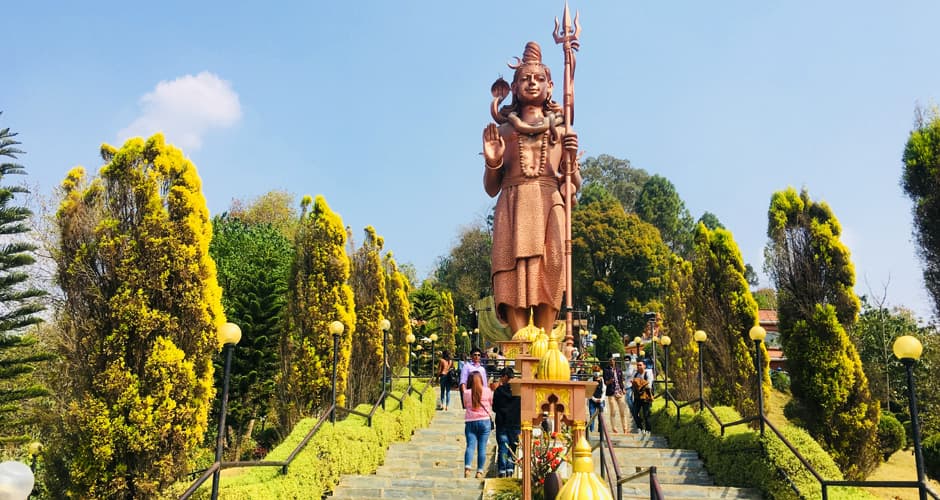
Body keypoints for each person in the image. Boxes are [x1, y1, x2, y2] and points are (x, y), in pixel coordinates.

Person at [482, 41, 580, 335]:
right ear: (514, 87)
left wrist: (570, 162)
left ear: (550, 87)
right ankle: (520, 341)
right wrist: (493, 162)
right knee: (510, 269)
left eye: (539, 79)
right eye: (525, 78)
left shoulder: (562, 132)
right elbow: (490, 188)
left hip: (550, 202)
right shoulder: (503, 132)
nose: (532, 83)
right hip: (512, 203)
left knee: (551, 267)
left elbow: (572, 187)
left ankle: (548, 338)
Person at [463, 371, 494, 479]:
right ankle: (479, 471)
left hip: (470, 421)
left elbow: (465, 404)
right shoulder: (488, 391)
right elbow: (491, 403)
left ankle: (467, 469)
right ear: (481, 380)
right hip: (484, 421)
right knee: (482, 448)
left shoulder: (466, 393)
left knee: (470, 446)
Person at [492, 367, 521, 478]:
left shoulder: (499, 391)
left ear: (505, 376)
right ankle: (510, 469)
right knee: (512, 448)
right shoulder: (519, 391)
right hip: (515, 423)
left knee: (503, 448)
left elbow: (494, 408)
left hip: (502, 423)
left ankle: (502, 470)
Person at [603, 357, 629, 433]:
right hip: (611, 393)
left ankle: (625, 428)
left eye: (613, 360)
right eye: (610, 360)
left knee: (623, 411)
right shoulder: (606, 370)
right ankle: (614, 428)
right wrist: (610, 381)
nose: (611, 361)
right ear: (608, 361)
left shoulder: (618, 369)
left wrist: (623, 388)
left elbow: (621, 380)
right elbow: (605, 382)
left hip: (620, 392)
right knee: (613, 411)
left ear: (615, 361)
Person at [632, 361, 655, 433]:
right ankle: (640, 427)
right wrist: (639, 383)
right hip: (637, 397)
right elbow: (634, 384)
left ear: (644, 366)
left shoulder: (648, 374)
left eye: (640, 365)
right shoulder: (636, 374)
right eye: (637, 365)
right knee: (635, 413)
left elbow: (648, 385)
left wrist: (638, 383)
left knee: (646, 414)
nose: (638, 367)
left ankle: (648, 429)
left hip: (646, 397)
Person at [588, 365, 606, 432]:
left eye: (597, 371)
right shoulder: (590, 380)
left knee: (600, 416)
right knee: (592, 415)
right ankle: (591, 430)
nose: (596, 373)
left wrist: (601, 399)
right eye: (595, 371)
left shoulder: (602, 380)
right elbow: (589, 392)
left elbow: (604, 391)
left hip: (600, 400)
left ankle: (600, 430)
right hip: (592, 400)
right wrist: (595, 399)